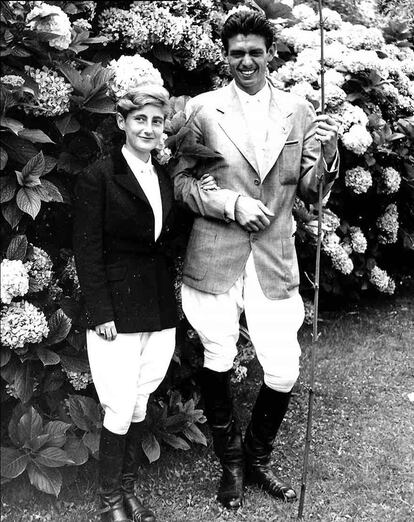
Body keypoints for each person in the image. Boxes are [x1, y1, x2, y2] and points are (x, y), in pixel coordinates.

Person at [172, 9, 339, 510]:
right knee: (219, 354)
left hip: (274, 256)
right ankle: (233, 463)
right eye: (236, 52)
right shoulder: (202, 110)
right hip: (216, 252)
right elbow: (181, 184)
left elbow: (311, 190)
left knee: (283, 367)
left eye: (255, 52)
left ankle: (258, 456)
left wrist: (328, 154)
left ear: (271, 53)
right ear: (225, 56)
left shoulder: (299, 110)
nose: (246, 61)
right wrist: (230, 203)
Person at [73, 84, 216, 522]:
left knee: (138, 401)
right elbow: (87, 250)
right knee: (117, 406)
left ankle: (129, 490)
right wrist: (100, 313)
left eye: (157, 121)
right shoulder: (98, 177)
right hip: (115, 310)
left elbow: (165, 240)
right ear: (122, 123)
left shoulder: (163, 177)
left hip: (155, 305)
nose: (149, 128)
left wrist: (199, 197)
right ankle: (110, 500)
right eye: (140, 120)